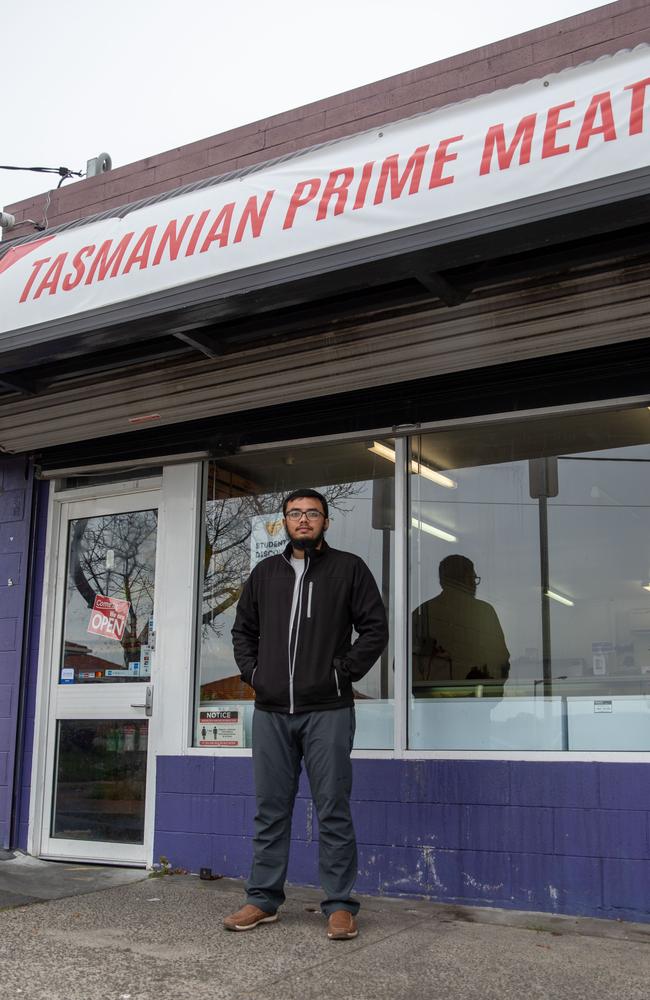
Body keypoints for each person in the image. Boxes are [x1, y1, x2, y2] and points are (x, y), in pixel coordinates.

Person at [224, 488, 388, 939]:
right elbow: (243, 631)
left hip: (328, 710)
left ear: (325, 522)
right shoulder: (264, 573)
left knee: (332, 807)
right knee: (270, 810)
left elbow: (375, 628)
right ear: (284, 522)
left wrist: (344, 672)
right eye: (294, 513)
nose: (303, 520)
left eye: (312, 513)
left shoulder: (348, 569)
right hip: (272, 711)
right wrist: (256, 674)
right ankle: (262, 899)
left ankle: (338, 904)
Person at [412, 554, 509, 688]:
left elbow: (404, 664)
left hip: (432, 702)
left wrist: (424, 693)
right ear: (467, 579)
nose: (475, 584)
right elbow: (500, 660)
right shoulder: (484, 612)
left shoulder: (423, 613)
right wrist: (489, 695)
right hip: (476, 698)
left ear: (442, 582)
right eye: (474, 578)